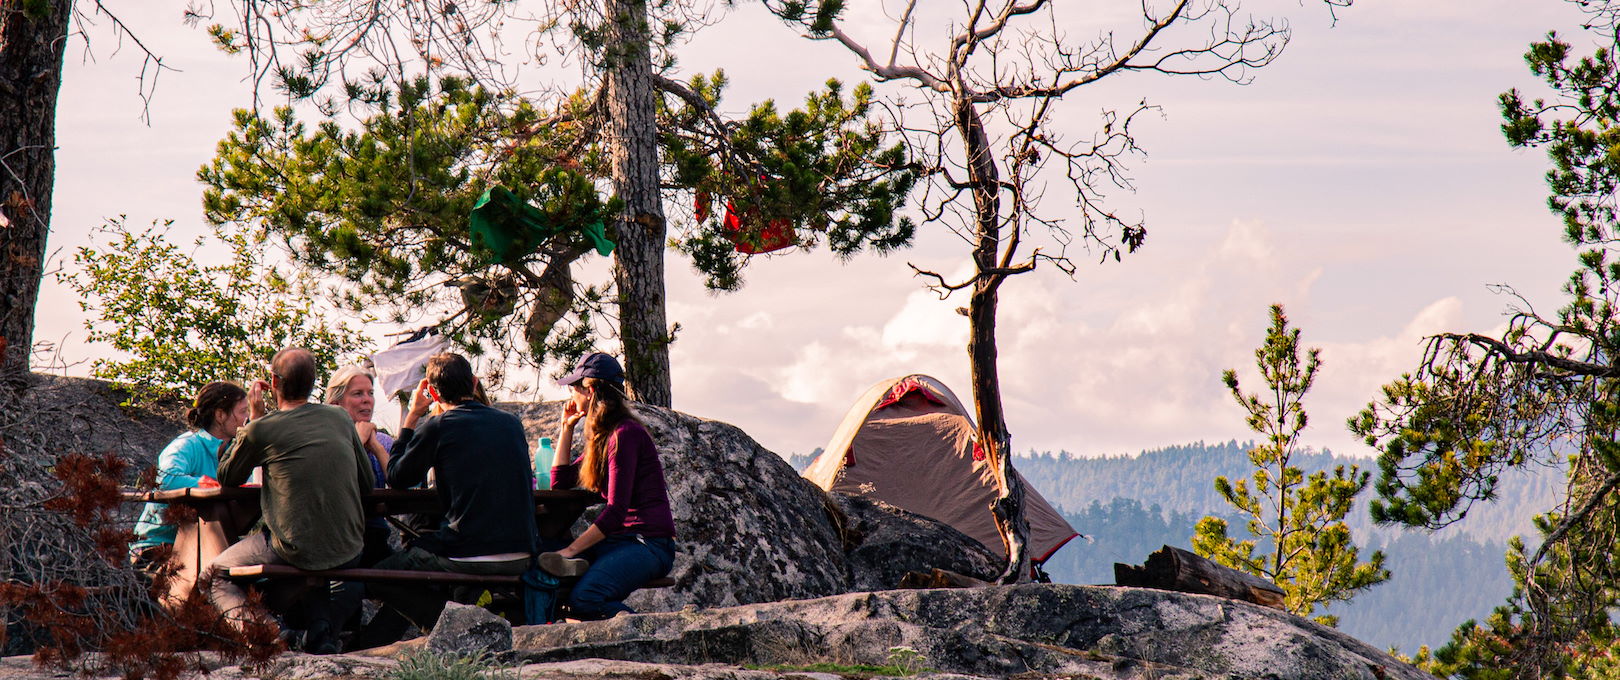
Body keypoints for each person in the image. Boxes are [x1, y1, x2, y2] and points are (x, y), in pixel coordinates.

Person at [359, 353, 537, 643]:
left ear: (431, 392)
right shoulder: (511, 423)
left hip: (469, 553)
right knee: (429, 548)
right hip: (523, 553)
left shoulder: (440, 426)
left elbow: (399, 477)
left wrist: (413, 416)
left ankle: (457, 630)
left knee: (376, 577)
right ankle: (475, 617)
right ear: (474, 382)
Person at [206, 348, 375, 653]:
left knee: (216, 575)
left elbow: (227, 475)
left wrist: (253, 421)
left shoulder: (264, 428)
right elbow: (367, 482)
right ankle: (319, 633)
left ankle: (271, 636)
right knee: (315, 555)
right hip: (350, 546)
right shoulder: (339, 418)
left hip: (294, 548)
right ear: (314, 384)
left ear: (273, 382)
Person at [542, 352, 677, 620]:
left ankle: (654, 634)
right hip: (621, 541)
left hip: (648, 544)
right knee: (547, 554)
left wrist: (570, 551)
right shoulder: (604, 436)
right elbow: (560, 482)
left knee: (586, 599)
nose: (571, 395)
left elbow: (616, 511)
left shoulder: (625, 434)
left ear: (590, 390)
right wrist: (566, 428)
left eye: (574, 387)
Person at [129, 381, 252, 571]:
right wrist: (205, 484)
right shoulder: (186, 445)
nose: (247, 418)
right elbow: (166, 480)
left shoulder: (233, 452)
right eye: (243, 411)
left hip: (206, 546)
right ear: (220, 415)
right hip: (159, 546)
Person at [325, 364, 395, 567]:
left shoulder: (383, 440)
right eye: (357, 394)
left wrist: (375, 447)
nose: (367, 400)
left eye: (370, 393)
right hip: (336, 538)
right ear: (337, 403)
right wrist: (356, 442)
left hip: (374, 535)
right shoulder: (326, 441)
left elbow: (402, 484)